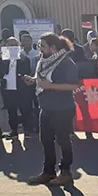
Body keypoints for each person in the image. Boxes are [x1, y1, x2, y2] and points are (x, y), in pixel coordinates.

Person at [25, 33, 80, 186]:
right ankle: (48, 172)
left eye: (43, 46)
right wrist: (34, 81)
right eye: (39, 46)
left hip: (63, 108)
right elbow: (44, 80)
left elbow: (73, 85)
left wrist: (50, 86)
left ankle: (66, 172)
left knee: (63, 141)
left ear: (53, 47)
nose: (40, 49)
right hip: (46, 107)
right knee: (46, 140)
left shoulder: (66, 62)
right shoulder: (44, 61)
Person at [0, 37, 36, 139]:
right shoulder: (1, 57)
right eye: (10, 45)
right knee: (11, 110)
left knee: (25, 109)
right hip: (8, 87)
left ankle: (27, 129)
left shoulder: (23, 58)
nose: (12, 47)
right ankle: (13, 130)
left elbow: (26, 72)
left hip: (21, 88)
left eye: (14, 45)